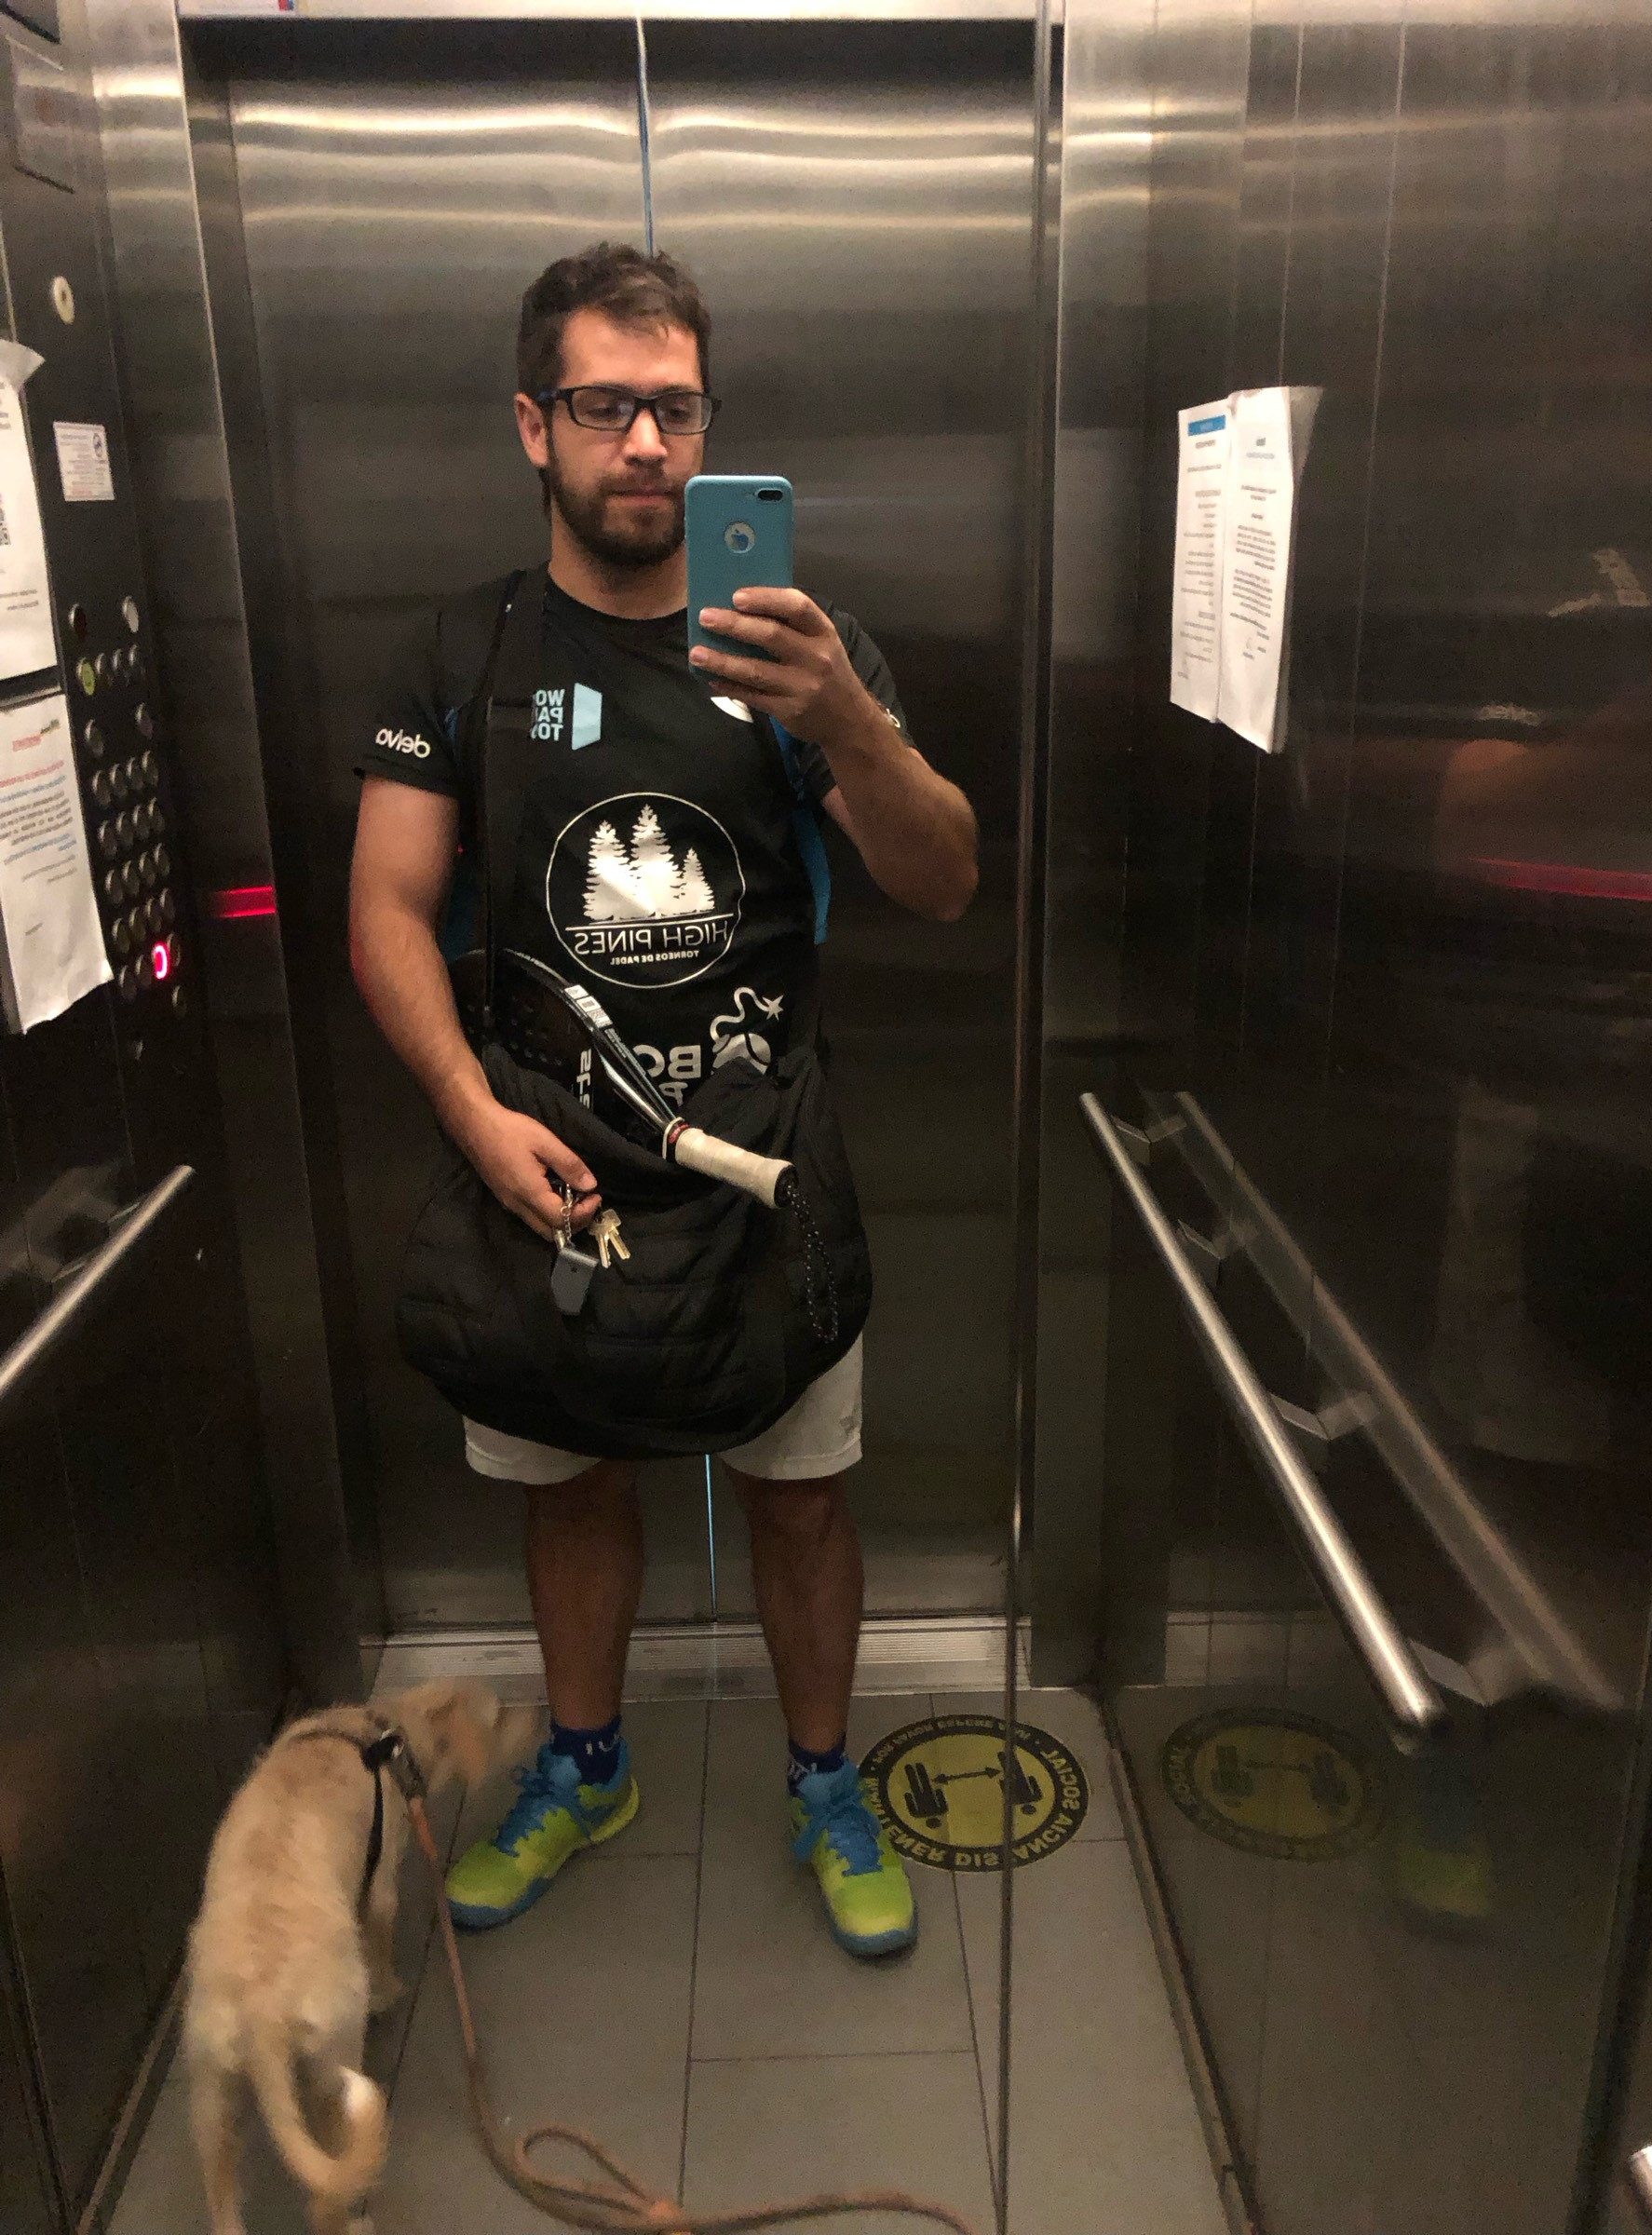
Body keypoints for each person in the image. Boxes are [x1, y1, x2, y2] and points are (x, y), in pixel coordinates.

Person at [348, 242, 978, 1957]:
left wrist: (849, 721)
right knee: (567, 1486)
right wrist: (471, 1116)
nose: (644, 442)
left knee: (803, 1492)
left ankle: (827, 1779)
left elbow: (942, 879)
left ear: (711, 426)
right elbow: (385, 910)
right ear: (532, 424)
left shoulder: (796, 647)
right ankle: (588, 1763)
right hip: (545, 1167)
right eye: (604, 405)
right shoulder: (462, 652)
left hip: (769, 1168)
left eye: (677, 409)